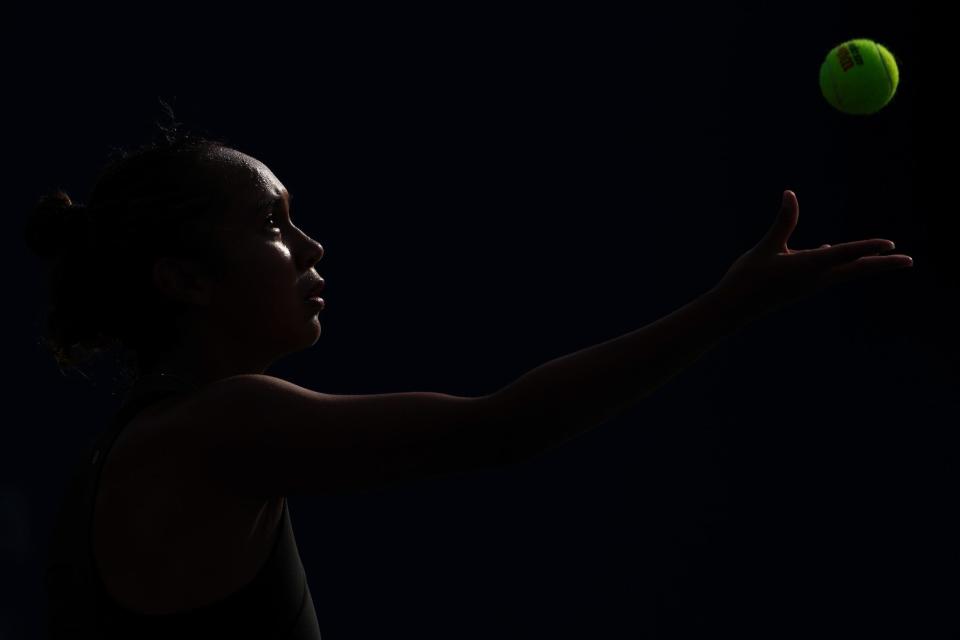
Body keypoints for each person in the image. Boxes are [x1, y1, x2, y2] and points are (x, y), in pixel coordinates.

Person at [27, 110, 913, 639]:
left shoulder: (160, 444)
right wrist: (729, 306)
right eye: (273, 223)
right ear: (183, 280)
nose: (311, 246)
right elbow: (501, 428)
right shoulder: (217, 430)